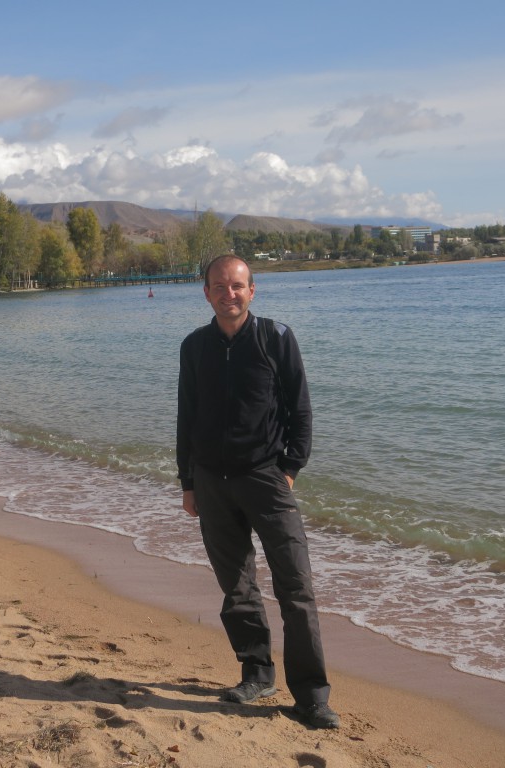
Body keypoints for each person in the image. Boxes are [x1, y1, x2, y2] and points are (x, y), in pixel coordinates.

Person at [176, 254, 339, 729]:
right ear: (206, 292)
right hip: (211, 481)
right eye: (219, 286)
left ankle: (310, 696)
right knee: (237, 586)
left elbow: (300, 409)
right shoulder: (194, 346)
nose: (229, 294)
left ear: (253, 290)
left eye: (238, 286)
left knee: (296, 586)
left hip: (266, 478)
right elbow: (187, 417)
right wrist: (188, 482)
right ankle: (257, 673)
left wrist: (289, 468)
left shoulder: (276, 337)